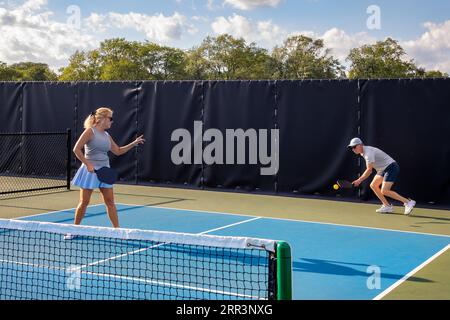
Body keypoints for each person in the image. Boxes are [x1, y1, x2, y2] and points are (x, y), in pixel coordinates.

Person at [67, 107, 145, 237]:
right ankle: (74, 230)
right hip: (90, 172)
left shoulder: (107, 135)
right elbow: (76, 149)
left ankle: (117, 231)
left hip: (105, 171)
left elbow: (118, 151)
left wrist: (134, 143)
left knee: (110, 202)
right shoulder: (89, 132)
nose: (112, 121)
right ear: (101, 119)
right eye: (110, 118)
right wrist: (88, 164)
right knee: (84, 202)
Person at [348, 138, 416, 215]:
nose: (353, 149)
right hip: (382, 169)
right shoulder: (363, 152)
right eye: (351, 148)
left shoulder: (368, 153)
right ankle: (387, 206)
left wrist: (359, 180)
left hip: (391, 167)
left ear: (360, 145)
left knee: (385, 191)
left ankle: (408, 202)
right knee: (373, 185)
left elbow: (369, 170)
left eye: (354, 147)